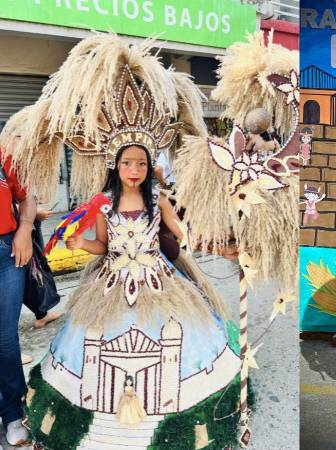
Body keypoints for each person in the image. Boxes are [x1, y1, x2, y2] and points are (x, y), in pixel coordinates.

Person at [4, 35, 244, 449]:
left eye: (141, 163)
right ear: (115, 165)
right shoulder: (102, 202)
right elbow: (102, 245)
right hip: (110, 286)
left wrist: (205, 243)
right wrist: (82, 242)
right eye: (127, 162)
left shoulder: (158, 197)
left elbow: (179, 233)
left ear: (150, 166)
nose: (134, 169)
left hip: (159, 283)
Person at [0, 148, 35, 446]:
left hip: (6, 254)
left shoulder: (3, 155)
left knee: (5, 338)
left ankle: (13, 413)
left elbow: (26, 197)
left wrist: (25, 228)